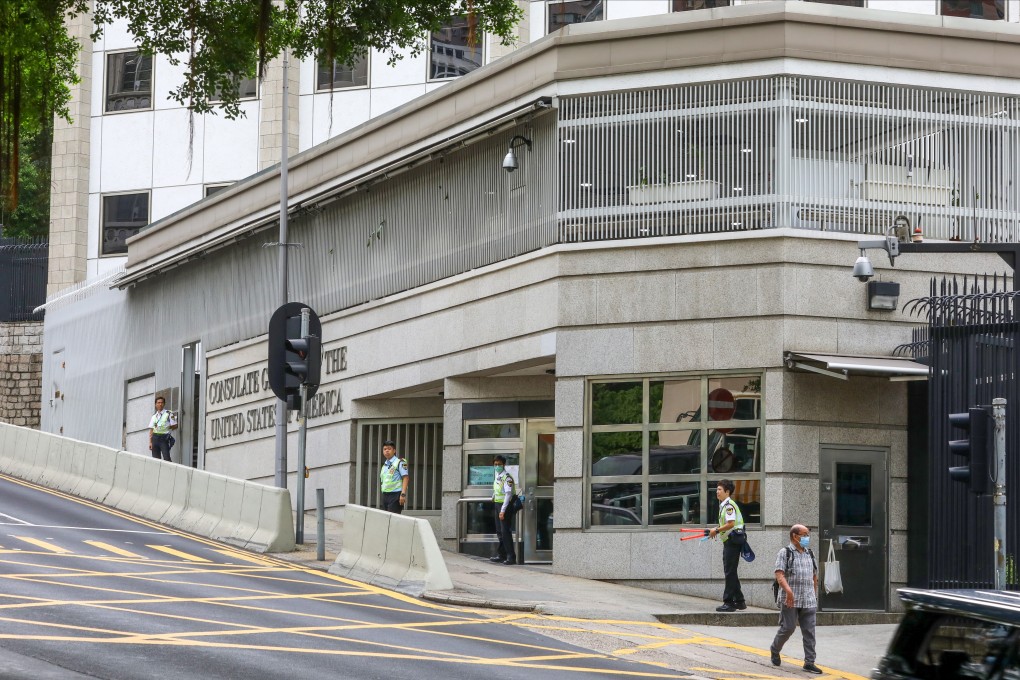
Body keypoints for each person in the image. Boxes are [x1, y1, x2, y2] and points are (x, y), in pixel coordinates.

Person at [771, 524, 822, 674]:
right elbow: (779, 574)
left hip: (808, 599)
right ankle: (775, 649)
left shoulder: (810, 553)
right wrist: (788, 592)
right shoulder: (785, 552)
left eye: (808, 534)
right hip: (790, 599)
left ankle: (809, 662)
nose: (807, 537)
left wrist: (814, 594)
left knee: (809, 631)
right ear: (795, 536)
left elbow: (814, 576)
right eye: (805, 534)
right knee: (788, 628)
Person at [708, 478, 746, 612]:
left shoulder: (729, 505)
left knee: (729, 571)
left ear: (727, 491)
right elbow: (727, 524)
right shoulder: (724, 505)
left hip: (732, 541)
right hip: (730, 541)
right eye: (717, 489)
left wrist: (717, 530)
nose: (717, 492)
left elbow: (730, 524)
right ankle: (740, 601)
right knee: (731, 571)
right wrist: (716, 529)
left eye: (719, 489)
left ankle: (729, 602)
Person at [490, 454, 519, 565]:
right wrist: (493, 496)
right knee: (499, 531)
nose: (497, 466)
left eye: (499, 464)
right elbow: (498, 490)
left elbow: (507, 494)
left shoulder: (507, 478)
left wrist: (502, 511)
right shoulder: (498, 476)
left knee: (505, 532)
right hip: (498, 504)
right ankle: (501, 555)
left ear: (504, 465)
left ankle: (511, 557)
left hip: (505, 506)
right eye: (495, 464)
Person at [378, 439, 408, 513]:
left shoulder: (400, 462)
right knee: (386, 520)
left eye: (389, 449)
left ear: (394, 451)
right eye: (385, 449)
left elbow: (406, 478)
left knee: (393, 520)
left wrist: (403, 494)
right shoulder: (385, 465)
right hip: (385, 495)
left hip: (396, 495)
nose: (387, 451)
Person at [147, 396, 178, 462]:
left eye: (162, 402)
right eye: (158, 403)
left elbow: (175, 425)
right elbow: (151, 430)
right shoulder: (154, 416)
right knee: (156, 459)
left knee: (166, 458)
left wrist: (168, 427)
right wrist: (150, 442)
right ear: (155, 404)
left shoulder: (169, 413)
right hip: (155, 438)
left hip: (164, 438)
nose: (160, 404)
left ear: (164, 404)